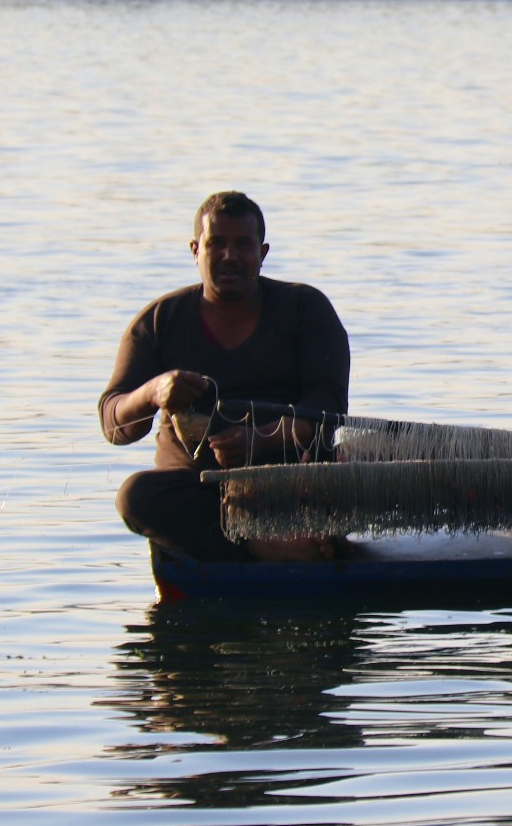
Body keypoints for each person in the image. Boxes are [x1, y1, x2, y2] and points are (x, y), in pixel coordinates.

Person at [99, 191, 350, 561]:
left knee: (344, 486)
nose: (230, 256)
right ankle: (264, 545)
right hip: (200, 495)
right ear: (195, 251)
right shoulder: (159, 320)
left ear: (262, 254)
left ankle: (283, 540)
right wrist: (152, 392)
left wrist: (260, 441)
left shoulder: (306, 308)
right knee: (135, 496)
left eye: (243, 245)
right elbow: (114, 424)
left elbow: (327, 408)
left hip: (290, 484)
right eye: (216, 243)